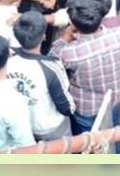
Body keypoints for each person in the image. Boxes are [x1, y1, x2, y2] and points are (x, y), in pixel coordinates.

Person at [51, 0, 120, 154]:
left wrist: (65, 37)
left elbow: (50, 62)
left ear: (74, 25)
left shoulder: (69, 52)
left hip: (86, 107)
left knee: (89, 143)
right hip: (113, 98)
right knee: (113, 133)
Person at [8, 12, 75, 141]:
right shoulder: (51, 66)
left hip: (20, 126)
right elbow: (66, 107)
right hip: (48, 128)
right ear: (44, 36)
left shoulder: (5, 57)